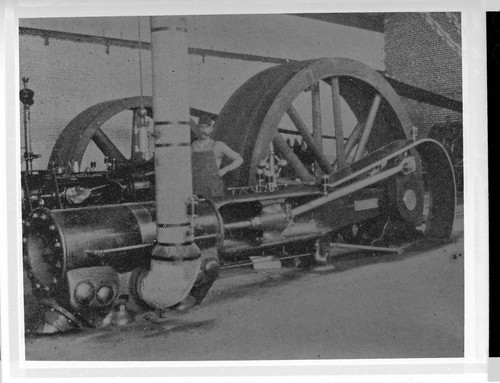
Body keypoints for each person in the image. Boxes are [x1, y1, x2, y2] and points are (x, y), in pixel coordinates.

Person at [191, 114, 243, 198]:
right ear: (198, 128)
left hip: (214, 191)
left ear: (211, 129)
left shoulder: (218, 145)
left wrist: (224, 170)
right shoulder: (192, 147)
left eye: (206, 127)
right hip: (197, 190)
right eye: (201, 127)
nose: (203, 130)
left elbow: (239, 159)